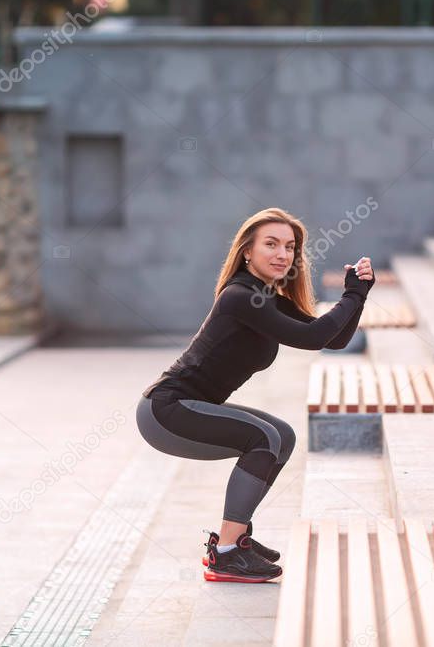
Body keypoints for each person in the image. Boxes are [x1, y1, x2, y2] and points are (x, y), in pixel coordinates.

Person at [135, 207, 375, 582]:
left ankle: (237, 539)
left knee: (283, 437)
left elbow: (333, 338)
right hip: (166, 410)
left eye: (290, 247)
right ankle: (226, 552)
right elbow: (313, 339)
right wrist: (350, 295)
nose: (283, 254)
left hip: (183, 407)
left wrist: (357, 296)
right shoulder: (240, 296)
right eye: (272, 244)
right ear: (247, 251)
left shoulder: (267, 296)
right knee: (263, 438)